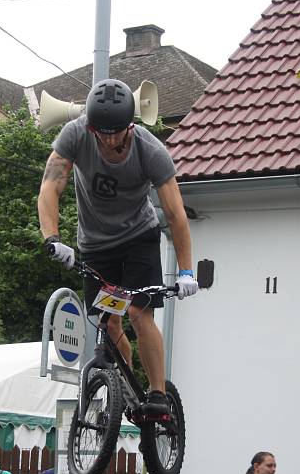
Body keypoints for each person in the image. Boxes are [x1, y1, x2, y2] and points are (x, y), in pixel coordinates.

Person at [38, 78, 199, 417]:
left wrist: (186, 271)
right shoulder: (76, 134)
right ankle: (123, 386)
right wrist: (52, 238)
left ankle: (156, 395)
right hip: (96, 247)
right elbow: (50, 188)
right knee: (108, 323)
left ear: (130, 125)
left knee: (139, 313)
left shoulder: (150, 150)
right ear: (91, 127)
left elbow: (175, 214)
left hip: (138, 240)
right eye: (102, 133)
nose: (109, 140)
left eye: (116, 133)